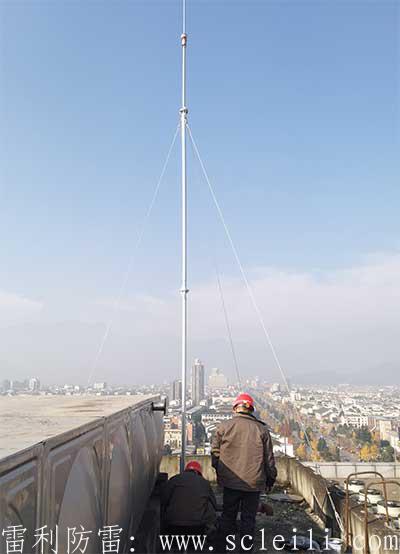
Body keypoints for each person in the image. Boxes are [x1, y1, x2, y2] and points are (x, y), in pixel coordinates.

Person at [211, 393, 277, 549]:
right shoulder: (261, 430)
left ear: (235, 408)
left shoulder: (224, 427)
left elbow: (215, 454)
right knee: (248, 519)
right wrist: (270, 479)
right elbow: (269, 460)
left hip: (230, 482)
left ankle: (222, 548)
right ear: (251, 409)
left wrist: (220, 472)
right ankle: (245, 549)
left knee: (228, 516)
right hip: (253, 483)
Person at [161, 460, 217, 536]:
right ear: (198, 472)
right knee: (208, 505)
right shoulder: (205, 483)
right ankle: (210, 535)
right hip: (197, 528)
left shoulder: (174, 479)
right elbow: (214, 504)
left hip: (172, 527)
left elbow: (164, 500)